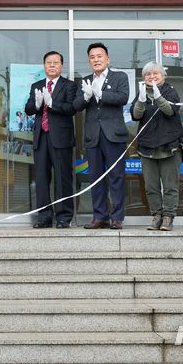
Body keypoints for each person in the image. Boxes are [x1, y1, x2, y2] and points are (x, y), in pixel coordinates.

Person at [74, 43, 130, 230]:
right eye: (92, 57)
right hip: (93, 137)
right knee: (96, 177)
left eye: (99, 56)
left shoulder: (119, 77)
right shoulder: (85, 80)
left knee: (116, 177)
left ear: (108, 58)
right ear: (89, 61)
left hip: (114, 135)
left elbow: (122, 97)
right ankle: (100, 216)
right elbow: (76, 106)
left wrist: (100, 93)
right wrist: (86, 96)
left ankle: (117, 217)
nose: (96, 59)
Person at [24, 51, 78, 228]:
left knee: (63, 178)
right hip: (41, 137)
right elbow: (29, 109)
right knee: (41, 178)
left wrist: (52, 103)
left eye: (56, 62)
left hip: (61, 138)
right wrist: (38, 104)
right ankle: (44, 216)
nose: (52, 65)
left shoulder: (69, 85)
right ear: (44, 65)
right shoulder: (36, 85)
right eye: (49, 62)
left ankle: (64, 217)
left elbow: (71, 108)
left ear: (62, 66)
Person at [130, 62, 183, 231]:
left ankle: (168, 216)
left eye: (155, 73)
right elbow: (135, 115)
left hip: (170, 146)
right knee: (151, 186)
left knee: (170, 186)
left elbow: (170, 111)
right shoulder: (141, 93)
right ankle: (156, 215)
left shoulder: (171, 91)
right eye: (147, 74)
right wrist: (141, 100)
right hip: (147, 147)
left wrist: (158, 96)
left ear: (163, 76)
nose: (151, 76)